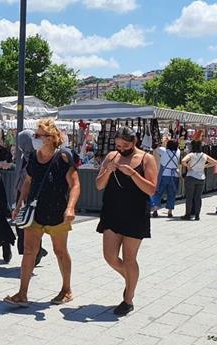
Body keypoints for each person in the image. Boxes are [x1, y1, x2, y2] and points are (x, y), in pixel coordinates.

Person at [5, 120, 80, 307]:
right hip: (35, 211)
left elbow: (75, 185)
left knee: (60, 251)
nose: (35, 139)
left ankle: (66, 289)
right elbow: (28, 182)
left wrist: (70, 207)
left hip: (58, 211)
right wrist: (19, 204)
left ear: (51, 138)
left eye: (38, 135)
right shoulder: (33, 157)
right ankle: (22, 293)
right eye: (35, 136)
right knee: (29, 250)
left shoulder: (63, 157)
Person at [95, 126, 158, 316]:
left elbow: (151, 189)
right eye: (118, 145)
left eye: (125, 145)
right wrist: (107, 170)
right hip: (112, 212)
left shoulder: (147, 158)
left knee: (130, 258)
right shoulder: (112, 156)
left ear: (134, 142)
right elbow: (99, 185)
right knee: (110, 256)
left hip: (135, 213)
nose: (121, 148)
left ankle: (128, 298)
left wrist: (133, 173)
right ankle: (130, 279)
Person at [11, 130, 48, 266]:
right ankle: (34, 252)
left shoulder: (37, 157)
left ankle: (35, 254)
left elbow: (29, 181)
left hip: (32, 198)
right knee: (22, 226)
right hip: (22, 197)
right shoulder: (24, 157)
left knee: (31, 227)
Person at [181, 141, 217, 221]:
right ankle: (197, 215)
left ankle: (188, 214)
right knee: (198, 198)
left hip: (191, 177)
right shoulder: (204, 155)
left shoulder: (191, 155)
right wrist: (205, 166)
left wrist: (188, 166)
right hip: (201, 178)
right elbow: (214, 162)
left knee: (189, 197)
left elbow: (183, 161)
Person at [150, 139, 180, 218]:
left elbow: (156, 148)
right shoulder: (178, 152)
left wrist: (163, 142)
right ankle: (170, 211)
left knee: (158, 192)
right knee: (171, 194)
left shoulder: (163, 151)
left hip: (164, 174)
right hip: (174, 175)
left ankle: (155, 209)